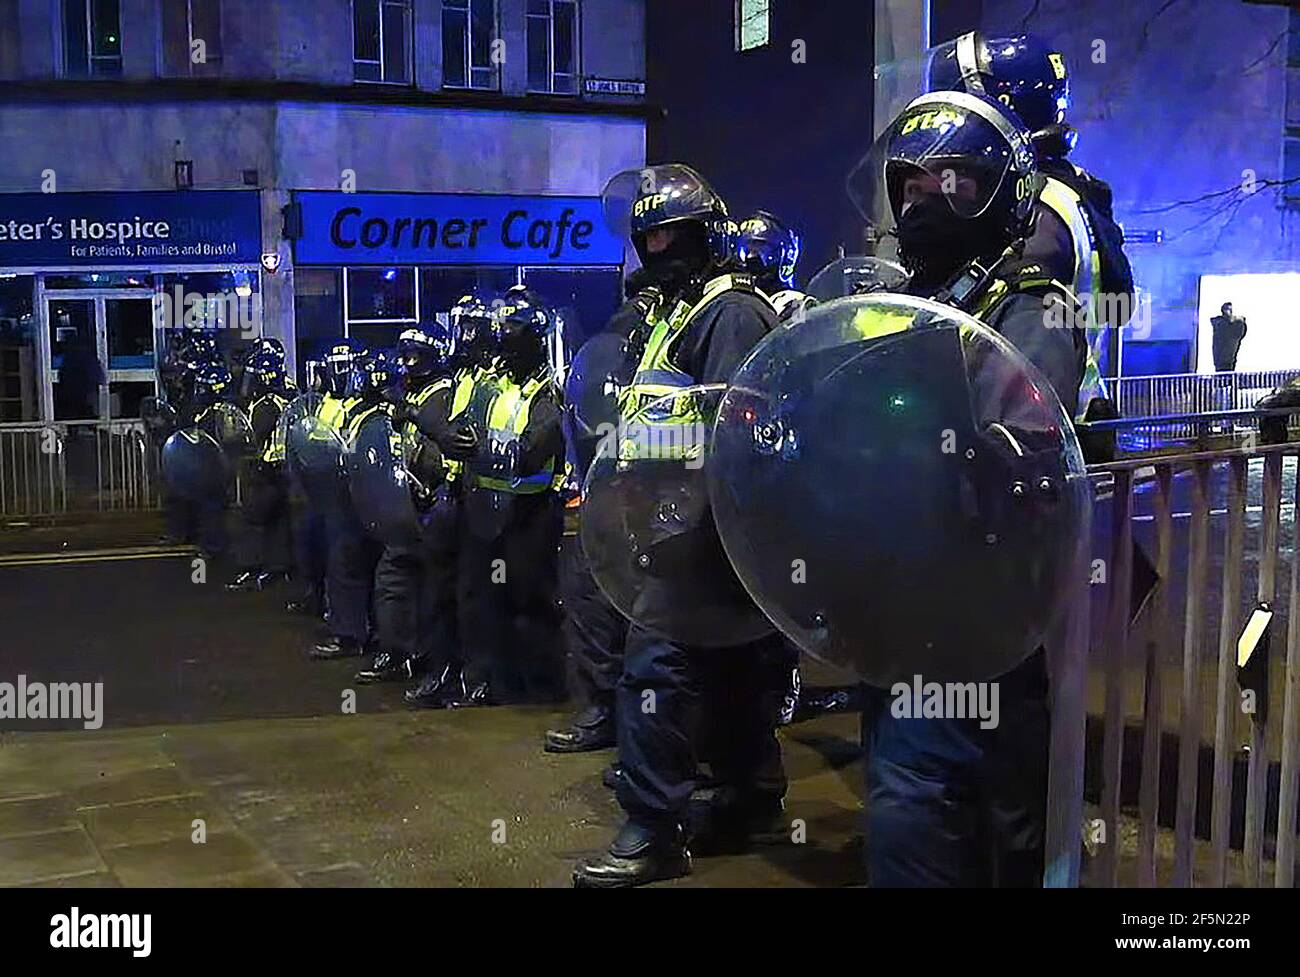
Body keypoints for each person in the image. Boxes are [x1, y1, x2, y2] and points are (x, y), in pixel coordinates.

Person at [861, 90, 1086, 887]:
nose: (926, 202)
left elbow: (1020, 439)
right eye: (913, 186)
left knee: (927, 800)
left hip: (978, 601)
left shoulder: (1031, 306)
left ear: (999, 193)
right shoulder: (904, 304)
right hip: (900, 597)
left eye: (951, 181)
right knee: (954, 800)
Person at [573, 164, 789, 888]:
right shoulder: (681, 310)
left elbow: (734, 428)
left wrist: (674, 512)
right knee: (728, 667)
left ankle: (653, 828)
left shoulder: (729, 312)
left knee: (656, 671)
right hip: (683, 526)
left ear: (703, 235)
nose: (655, 246)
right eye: (647, 236)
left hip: (703, 529)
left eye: (669, 233)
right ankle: (747, 797)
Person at [443, 286, 566, 707]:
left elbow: (531, 451)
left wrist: (476, 447)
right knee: (482, 600)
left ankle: (541, 687)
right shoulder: (490, 385)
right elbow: (462, 426)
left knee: (529, 601)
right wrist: (450, 439)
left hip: (530, 516)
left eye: (513, 326)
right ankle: (487, 683)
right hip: (483, 513)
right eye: (502, 326)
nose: (503, 334)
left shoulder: (549, 390)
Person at [356, 330, 461, 689]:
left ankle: (430, 662)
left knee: (430, 587)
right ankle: (399, 652)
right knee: (394, 579)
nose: (406, 364)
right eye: (404, 356)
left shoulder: (443, 394)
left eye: (414, 356)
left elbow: (441, 449)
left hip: (434, 499)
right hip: (401, 501)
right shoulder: (406, 393)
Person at [309, 339, 381, 661]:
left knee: (348, 564)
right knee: (340, 564)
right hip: (332, 494)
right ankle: (349, 625)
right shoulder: (328, 402)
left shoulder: (365, 406)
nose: (335, 375)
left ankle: (351, 635)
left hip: (357, 496)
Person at [227, 339, 296, 592]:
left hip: (268, 469)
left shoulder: (266, 404)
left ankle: (251, 569)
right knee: (278, 522)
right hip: (288, 471)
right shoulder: (289, 391)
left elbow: (253, 436)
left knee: (251, 520)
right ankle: (279, 569)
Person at [1211, 301, 1247, 372]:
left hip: (1228, 355)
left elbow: (1239, 332)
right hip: (1222, 355)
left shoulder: (1234, 324)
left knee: (1227, 366)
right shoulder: (1220, 324)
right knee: (1223, 367)